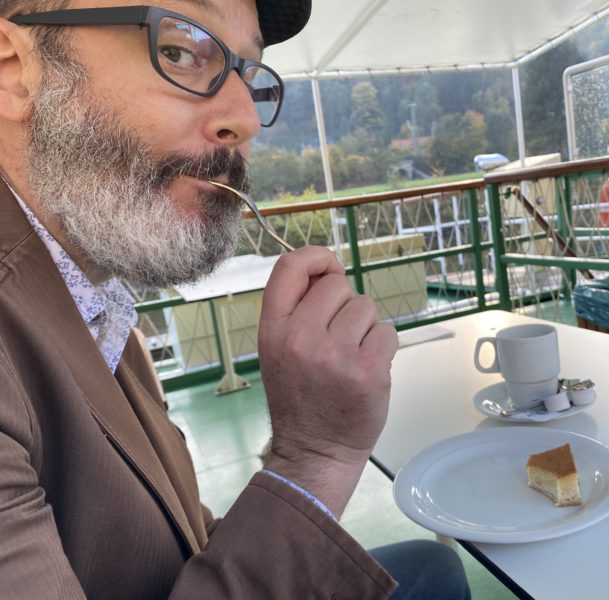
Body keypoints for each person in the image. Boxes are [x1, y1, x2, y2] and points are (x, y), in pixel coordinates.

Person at [0, 0, 471, 598]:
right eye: (179, 50)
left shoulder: (97, 298)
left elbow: (182, 543)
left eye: (248, 74)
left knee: (435, 569)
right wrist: (313, 459)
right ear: (17, 70)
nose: (244, 119)